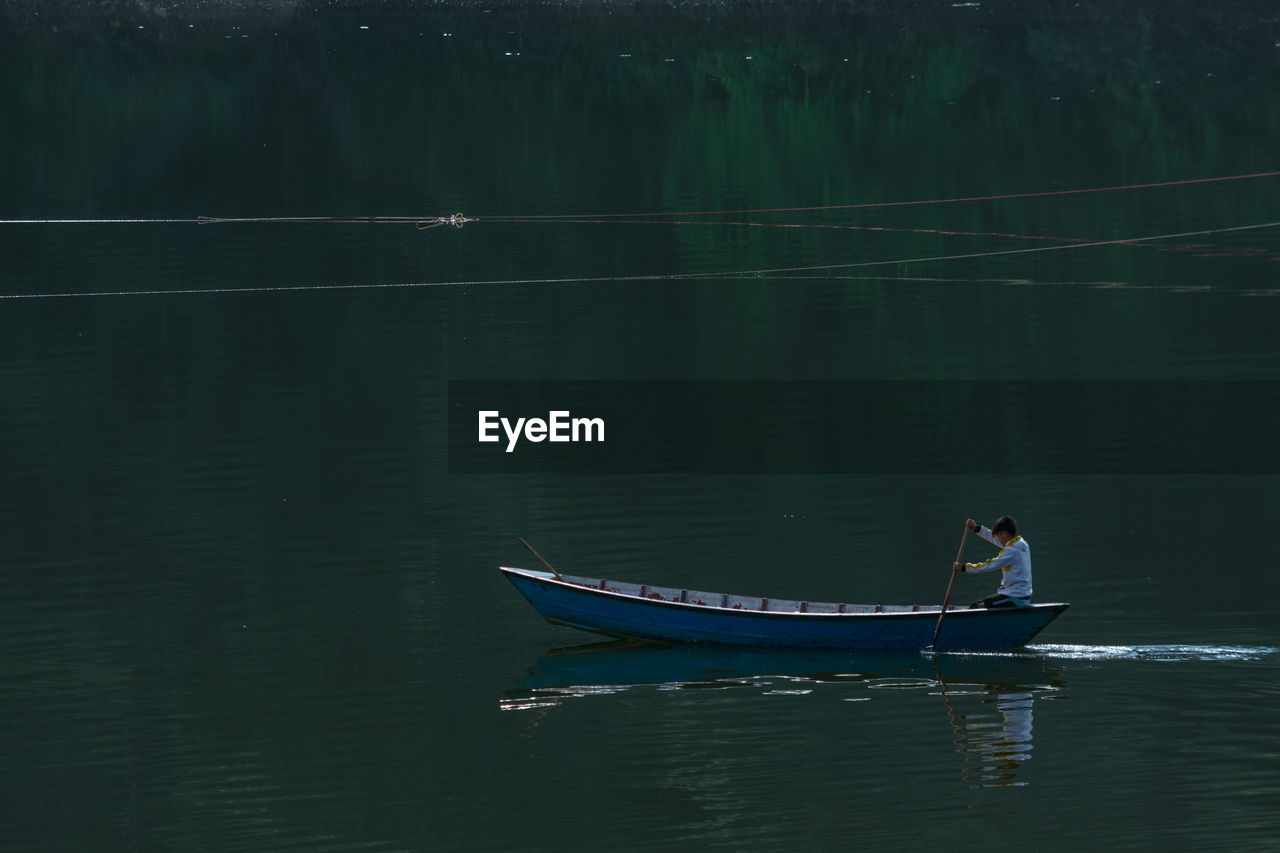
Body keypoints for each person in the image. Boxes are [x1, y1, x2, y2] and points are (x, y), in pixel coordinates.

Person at [952, 516, 1032, 608]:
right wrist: (977, 528)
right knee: (981, 603)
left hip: (1014, 599)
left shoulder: (1012, 551)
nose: (997, 539)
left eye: (998, 535)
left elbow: (989, 565)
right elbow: (996, 539)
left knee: (976, 606)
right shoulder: (1021, 543)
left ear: (1004, 534)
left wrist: (964, 567)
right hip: (1018, 596)